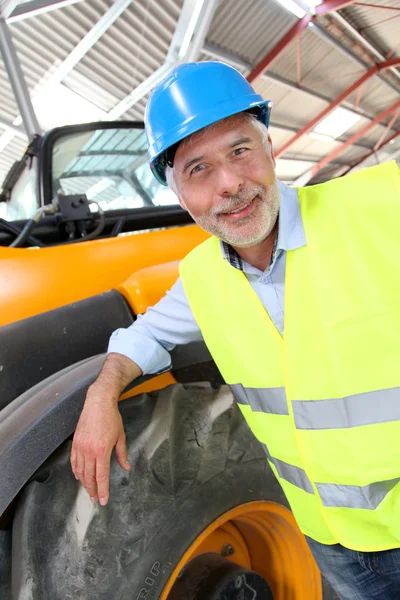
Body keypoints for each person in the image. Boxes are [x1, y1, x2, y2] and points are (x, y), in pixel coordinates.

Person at [70, 61, 400, 599]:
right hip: (335, 548)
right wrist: (102, 393)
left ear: (270, 148)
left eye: (240, 152)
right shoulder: (202, 279)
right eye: (199, 169)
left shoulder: (381, 205)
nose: (230, 185)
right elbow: (144, 337)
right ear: (177, 192)